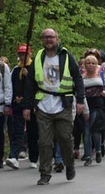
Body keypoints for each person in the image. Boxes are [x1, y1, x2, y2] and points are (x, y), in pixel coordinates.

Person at [22, 28, 85, 185]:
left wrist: (80, 100)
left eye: (51, 37)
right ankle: (45, 173)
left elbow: (77, 78)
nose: (49, 40)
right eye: (45, 37)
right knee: (44, 142)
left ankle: (69, 165)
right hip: (43, 105)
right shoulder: (38, 57)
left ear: (57, 38)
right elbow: (30, 83)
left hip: (63, 104)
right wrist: (27, 106)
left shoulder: (66, 56)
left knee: (65, 139)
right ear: (42, 40)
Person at [7, 44, 39, 170]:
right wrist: (15, 97)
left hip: (31, 104)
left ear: (29, 54)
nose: (22, 57)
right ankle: (13, 155)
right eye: (20, 54)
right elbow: (12, 86)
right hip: (18, 104)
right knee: (17, 130)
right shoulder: (15, 70)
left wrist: (28, 75)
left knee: (32, 131)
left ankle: (33, 157)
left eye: (24, 54)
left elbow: (37, 85)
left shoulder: (34, 68)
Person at [82, 53, 105, 166]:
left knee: (95, 129)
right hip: (86, 104)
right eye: (88, 63)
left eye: (93, 63)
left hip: (98, 104)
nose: (90, 65)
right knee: (86, 132)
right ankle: (88, 156)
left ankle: (98, 151)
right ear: (85, 64)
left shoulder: (102, 75)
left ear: (97, 64)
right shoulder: (82, 76)